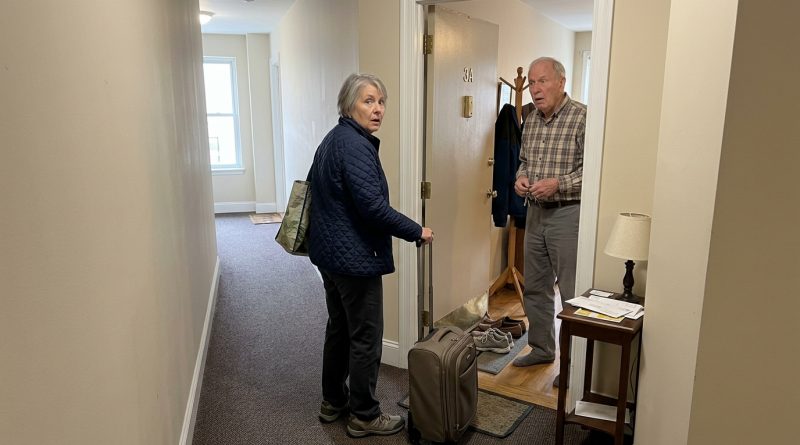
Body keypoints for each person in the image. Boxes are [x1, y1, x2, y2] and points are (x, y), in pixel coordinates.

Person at [308, 73, 434, 438]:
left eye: (381, 101)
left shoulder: (333, 139)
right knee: (365, 336)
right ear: (349, 105)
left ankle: (333, 401)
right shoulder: (356, 146)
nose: (377, 109)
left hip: (330, 258)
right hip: (353, 260)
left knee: (340, 328)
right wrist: (417, 231)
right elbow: (373, 208)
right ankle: (364, 413)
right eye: (368, 100)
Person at [512, 57, 586, 372]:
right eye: (532, 82)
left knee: (571, 293)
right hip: (535, 214)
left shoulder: (582, 118)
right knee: (536, 287)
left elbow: (593, 172)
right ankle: (542, 348)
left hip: (568, 214)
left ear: (561, 82)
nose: (536, 89)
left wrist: (558, 184)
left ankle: (572, 367)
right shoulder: (529, 120)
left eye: (543, 81)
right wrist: (520, 178)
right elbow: (524, 161)